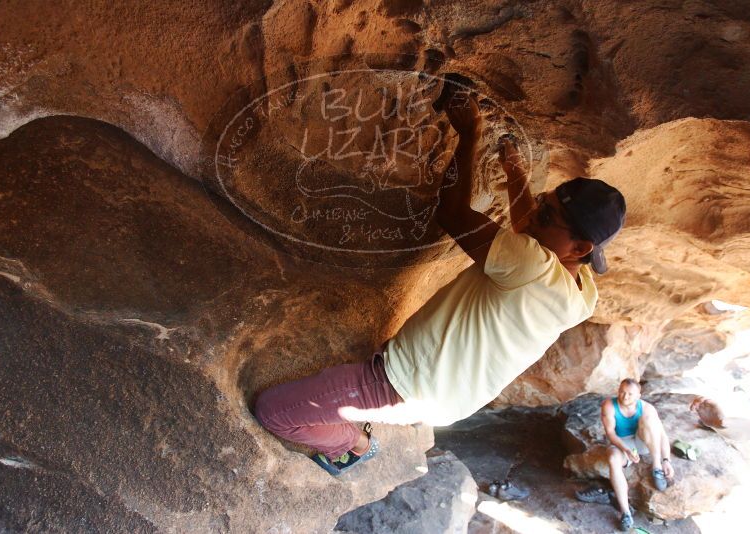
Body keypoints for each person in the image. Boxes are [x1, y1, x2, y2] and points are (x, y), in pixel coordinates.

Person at [253, 83, 627, 477]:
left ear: (581, 247)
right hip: (449, 400)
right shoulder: (582, 294)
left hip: (399, 386)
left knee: (275, 412)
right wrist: (514, 169)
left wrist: (470, 135)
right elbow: (526, 228)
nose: (534, 215)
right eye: (542, 203)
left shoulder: (531, 265)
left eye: (547, 215)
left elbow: (451, 213)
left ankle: (353, 445)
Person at [598, 379, 675, 531]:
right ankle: (625, 512)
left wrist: (666, 460)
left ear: (639, 395)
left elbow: (662, 436)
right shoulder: (609, 405)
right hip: (623, 442)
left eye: (630, 394)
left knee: (649, 421)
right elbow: (611, 433)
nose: (625, 397)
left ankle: (657, 467)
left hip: (643, 441)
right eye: (622, 392)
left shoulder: (647, 408)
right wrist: (625, 449)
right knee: (612, 458)